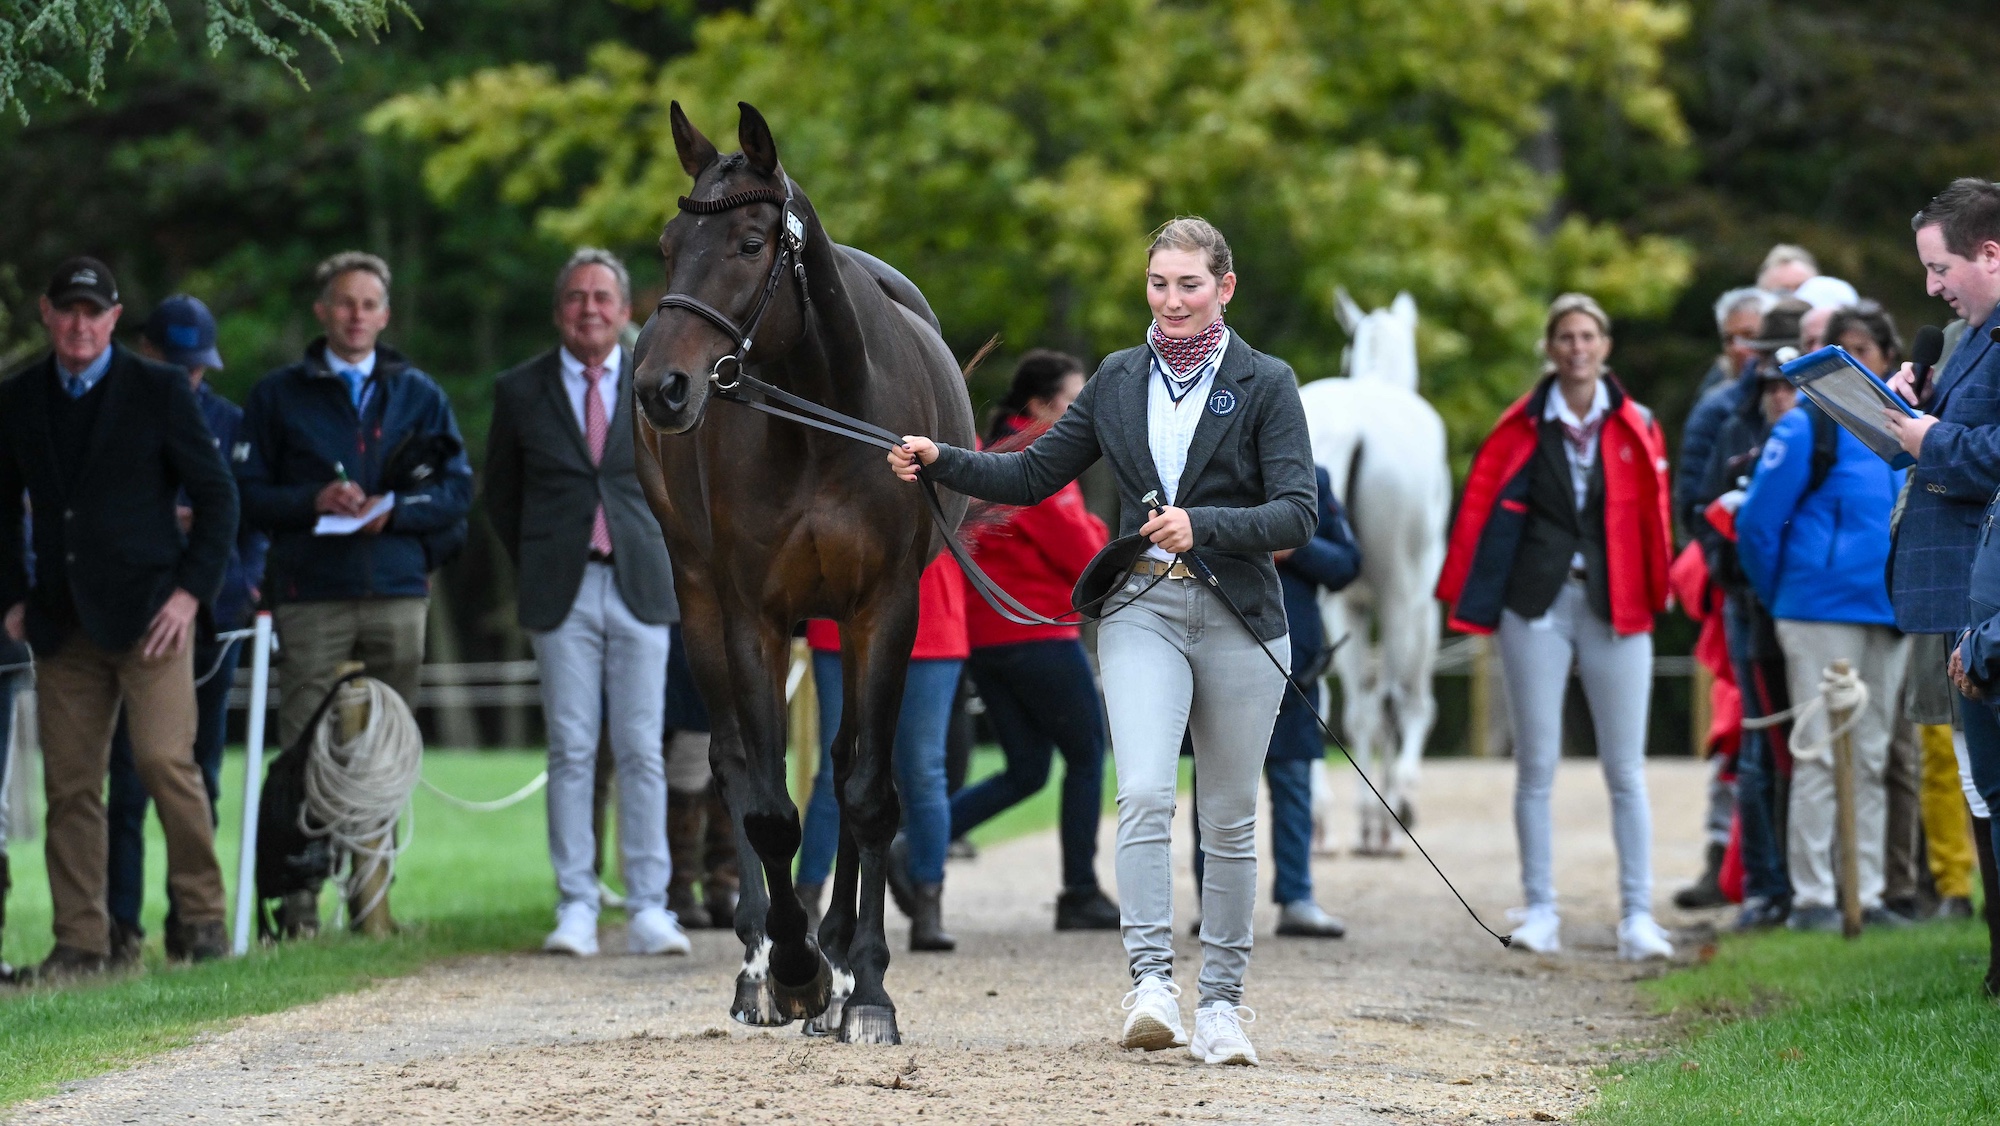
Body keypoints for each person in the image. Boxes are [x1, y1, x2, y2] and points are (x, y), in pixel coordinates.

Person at [890, 217, 1317, 1067]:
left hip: (1241, 619)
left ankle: (1225, 1003)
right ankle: (1153, 983)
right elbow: (1032, 473)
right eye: (1159, 284)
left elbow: (1298, 513)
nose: (1173, 301)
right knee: (1147, 794)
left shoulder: (1267, 382)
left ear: (1223, 288)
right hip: (1142, 609)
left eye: (1190, 283)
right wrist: (943, 457)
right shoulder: (1120, 380)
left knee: (1228, 818)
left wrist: (1208, 524)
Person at [0, 257, 239, 979]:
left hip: (152, 618)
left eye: (93, 312)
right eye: (68, 310)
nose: (80, 324)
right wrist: (13, 596)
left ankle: (201, 921)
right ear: (47, 313)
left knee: (168, 763)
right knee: (70, 786)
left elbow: (219, 499)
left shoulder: (161, 389)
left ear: (113, 320)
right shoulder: (17, 399)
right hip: (63, 621)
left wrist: (190, 595)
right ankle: (82, 942)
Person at [1437, 293, 1676, 961]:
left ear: (1605, 347)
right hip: (1536, 607)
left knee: (1625, 768)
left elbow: (1656, 519)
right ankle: (1540, 908)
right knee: (1536, 765)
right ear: (1550, 348)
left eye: (1588, 336)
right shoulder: (1521, 426)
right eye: (1565, 337)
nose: (1576, 347)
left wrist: (1661, 592)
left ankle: (1636, 916)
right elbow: (1484, 508)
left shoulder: (1637, 424)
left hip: (1617, 602)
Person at [484, 249, 686, 958]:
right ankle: (575, 903)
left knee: (641, 750)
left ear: (625, 310)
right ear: (557, 310)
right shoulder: (519, 390)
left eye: (602, 296)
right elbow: (500, 498)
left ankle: (649, 908)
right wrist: (542, 559)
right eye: (575, 297)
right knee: (572, 748)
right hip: (561, 591)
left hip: (641, 583)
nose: (590, 308)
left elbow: (687, 485)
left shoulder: (660, 382)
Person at [236, 252, 473, 749]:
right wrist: (313, 500)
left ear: (385, 315)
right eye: (345, 304)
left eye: (369, 305)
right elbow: (246, 496)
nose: (357, 315)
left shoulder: (421, 394)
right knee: (305, 743)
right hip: (311, 595)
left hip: (398, 593)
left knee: (387, 746)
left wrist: (393, 512)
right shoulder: (276, 396)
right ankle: (307, 831)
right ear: (322, 310)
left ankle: (376, 833)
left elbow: (457, 491)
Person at [99, 295, 269, 964]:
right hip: (137, 610)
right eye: (180, 365)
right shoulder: (117, 412)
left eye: (199, 368)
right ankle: (118, 924)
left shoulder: (229, 421)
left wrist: (248, 578)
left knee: (200, 772)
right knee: (130, 777)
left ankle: (191, 923)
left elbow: (247, 511)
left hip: (214, 614)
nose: (190, 379)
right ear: (149, 353)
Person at [1737, 308, 1910, 932]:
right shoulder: (1808, 425)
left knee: (1870, 756)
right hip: (1816, 610)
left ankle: (1865, 895)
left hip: (1888, 611)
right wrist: (1785, 591)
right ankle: (1813, 898)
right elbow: (1757, 523)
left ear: (1886, 357)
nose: (1859, 362)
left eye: (1868, 349)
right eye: (1848, 350)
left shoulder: (1904, 425)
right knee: (1817, 755)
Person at [946, 349, 1118, 932]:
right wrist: (1101, 533)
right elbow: (1084, 552)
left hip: (989, 637)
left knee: (1026, 769)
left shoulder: (1002, 453)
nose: (1084, 411)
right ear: (1042, 406)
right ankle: (1079, 891)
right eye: (1075, 400)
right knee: (1088, 752)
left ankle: (916, 843)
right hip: (1036, 634)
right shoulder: (1035, 457)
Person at [1884, 181, 2000, 984]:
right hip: (1957, 585)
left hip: (1986, 587)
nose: (1931, 288)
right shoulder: (1969, 340)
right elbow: (1949, 440)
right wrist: (1903, 417)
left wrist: (1933, 438)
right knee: (1976, 780)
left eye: (1940, 267)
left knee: (1992, 780)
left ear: (1990, 254)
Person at [1191, 464, 1360, 938]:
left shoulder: (1314, 479)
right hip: (1219, 649)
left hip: (1296, 661)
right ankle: (1214, 905)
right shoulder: (1210, 473)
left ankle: (1297, 896)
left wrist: (1293, 548)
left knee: (1293, 780)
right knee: (1216, 783)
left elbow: (1347, 564)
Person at [1692, 300, 1813, 930]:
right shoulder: (1733, 419)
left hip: (1809, 602)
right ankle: (1768, 886)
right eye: (1767, 372)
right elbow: (1703, 505)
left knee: (1812, 743)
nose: (1776, 389)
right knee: (1763, 750)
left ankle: (1806, 882)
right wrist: (1736, 571)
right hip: (1751, 605)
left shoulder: (1817, 422)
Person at [798, 554, 968, 952]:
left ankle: (927, 908)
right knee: (835, 771)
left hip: (931, 617)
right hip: (844, 615)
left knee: (924, 772)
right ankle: (806, 903)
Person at [1693, 288, 1776, 402]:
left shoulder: (1799, 387)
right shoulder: (1716, 399)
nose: (1737, 348)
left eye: (1749, 336)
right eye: (1729, 339)